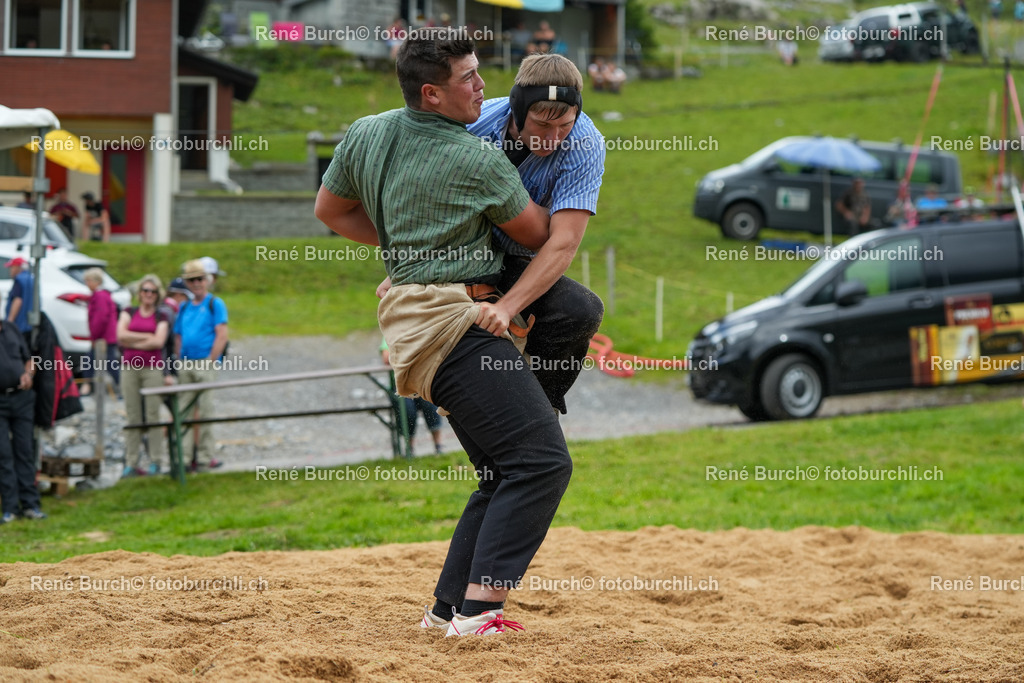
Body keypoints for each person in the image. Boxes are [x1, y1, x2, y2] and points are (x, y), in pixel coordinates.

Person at [315, 34, 570, 637]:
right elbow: (537, 235)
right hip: (454, 325)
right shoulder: (474, 158)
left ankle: (448, 610)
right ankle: (481, 612)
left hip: (409, 322)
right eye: (470, 80)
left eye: (482, 74)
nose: (485, 89)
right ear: (432, 94)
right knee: (541, 462)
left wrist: (407, 246)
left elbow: (330, 212)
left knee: (502, 470)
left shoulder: (365, 131)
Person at [173, 260, 228, 471]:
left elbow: (221, 335)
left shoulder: (215, 304)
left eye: (200, 279)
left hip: (205, 362)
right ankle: (184, 458)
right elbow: (178, 335)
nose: (196, 283)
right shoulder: (184, 307)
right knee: (184, 412)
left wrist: (210, 361)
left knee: (205, 411)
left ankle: (205, 457)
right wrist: (179, 360)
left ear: (206, 281)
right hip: (186, 363)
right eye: (192, 280)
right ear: (187, 283)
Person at [117, 274, 170, 477]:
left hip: (152, 368)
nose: (148, 294)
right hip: (130, 367)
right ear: (139, 293)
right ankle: (131, 462)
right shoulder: (129, 311)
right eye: (145, 290)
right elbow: (120, 336)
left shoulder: (161, 316)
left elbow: (158, 342)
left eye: (153, 291)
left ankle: (155, 460)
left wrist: (133, 341)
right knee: (133, 414)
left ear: (158, 295)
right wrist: (146, 337)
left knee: (153, 414)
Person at [0, 313, 43, 524]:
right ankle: (10, 508)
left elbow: (31, 358)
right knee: (3, 455)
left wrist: (29, 374)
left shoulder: (11, 328)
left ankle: (31, 505)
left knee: (25, 451)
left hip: (21, 398)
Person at [380, 339, 444, 454]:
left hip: (421, 382)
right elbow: (386, 358)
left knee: (430, 403)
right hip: (402, 386)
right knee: (407, 409)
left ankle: (438, 445)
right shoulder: (391, 333)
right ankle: (410, 448)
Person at [82, 268, 120, 397]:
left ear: (96, 281)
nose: (86, 283)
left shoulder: (100, 296)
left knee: (107, 362)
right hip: (105, 336)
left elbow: (100, 318)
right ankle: (87, 385)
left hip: (103, 337)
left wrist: (95, 336)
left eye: (88, 280)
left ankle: (121, 386)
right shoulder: (103, 295)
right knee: (97, 361)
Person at [4, 256, 34, 345]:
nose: (10, 271)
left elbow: (17, 300)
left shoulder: (19, 280)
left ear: (17, 267)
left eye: (11, 267)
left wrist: (10, 321)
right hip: (29, 325)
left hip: (19, 325)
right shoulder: (31, 278)